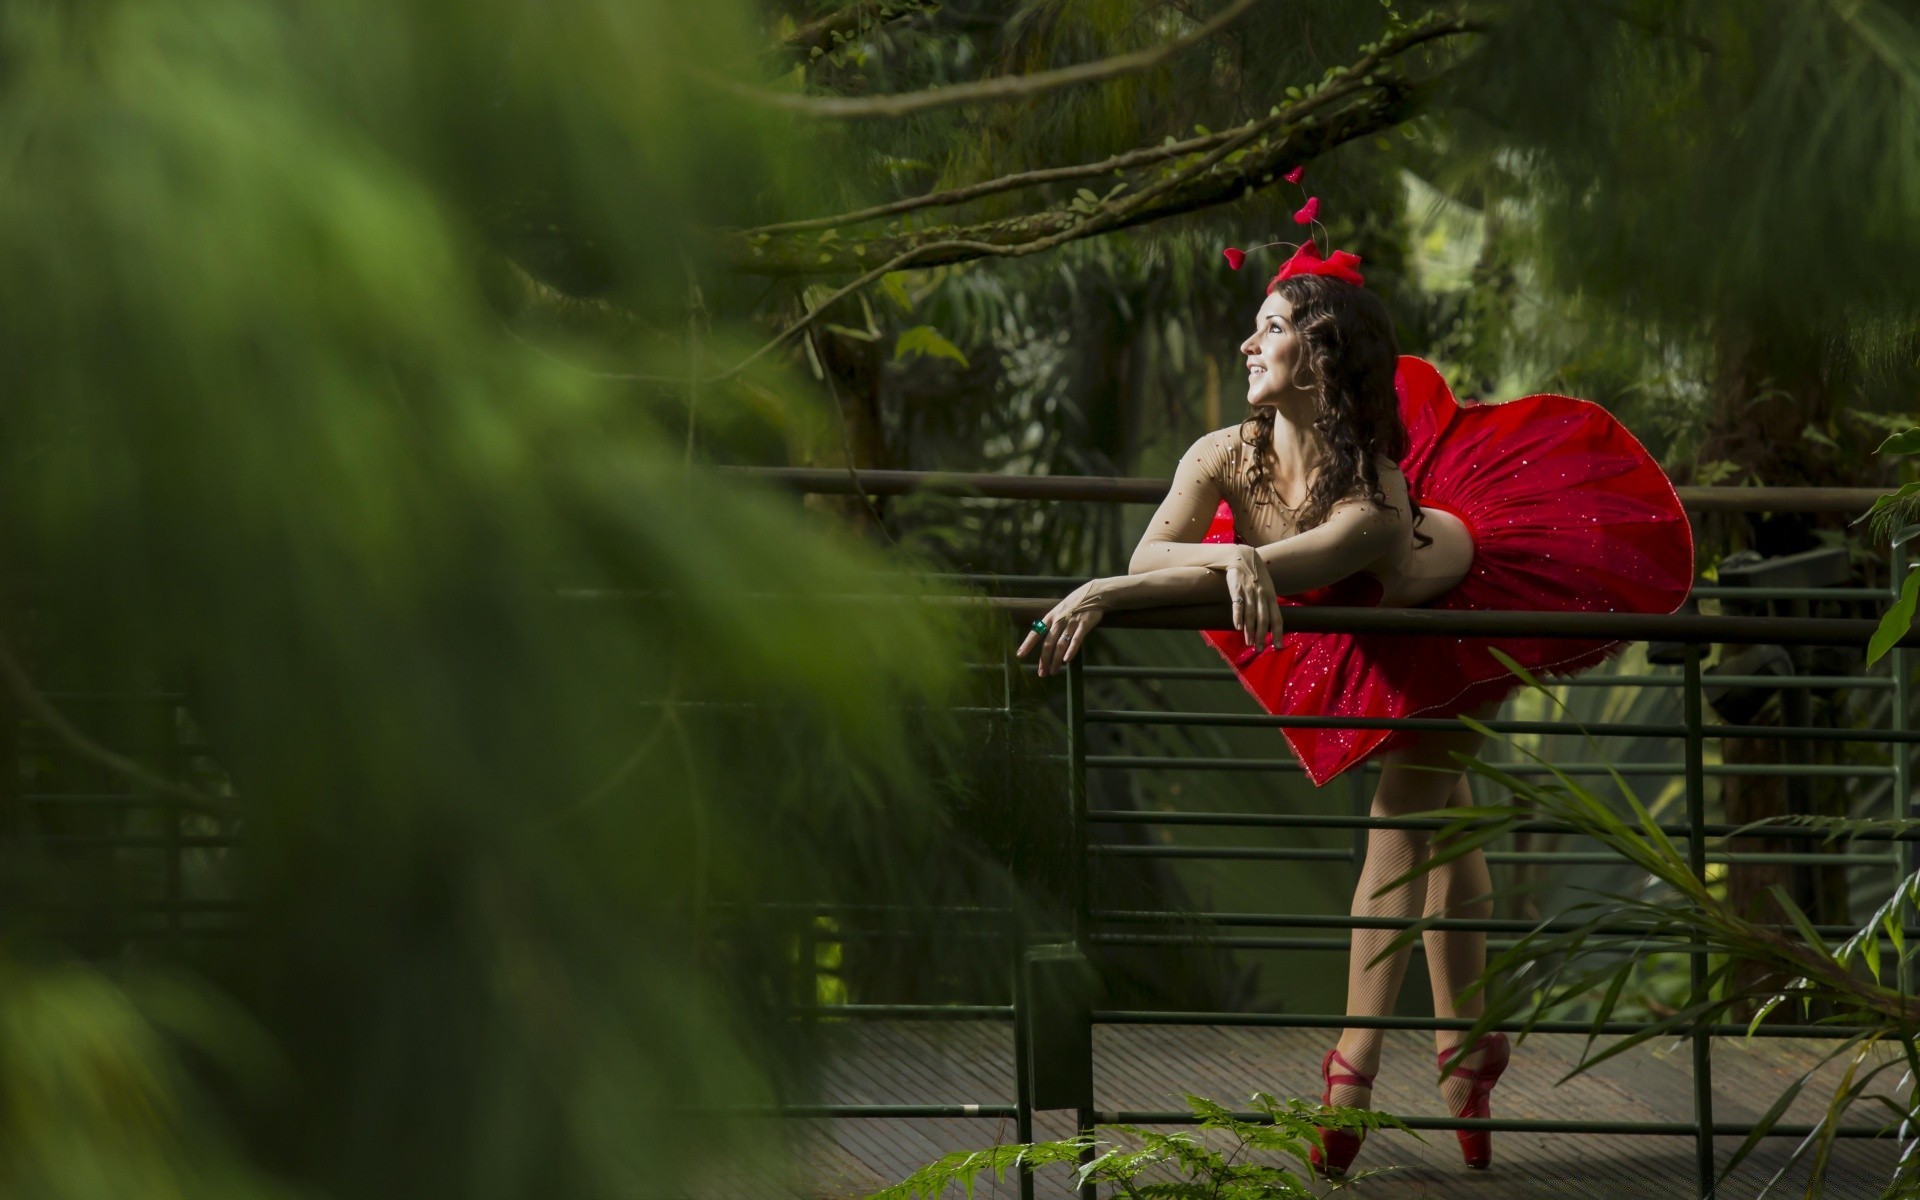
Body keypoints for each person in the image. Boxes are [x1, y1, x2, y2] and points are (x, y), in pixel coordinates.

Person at [1015, 238, 1693, 1176]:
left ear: (1323, 357)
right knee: (1442, 816)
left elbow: (1292, 572)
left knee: (1403, 814)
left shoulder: (1375, 497)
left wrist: (1203, 570)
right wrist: (1207, 561)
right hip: (1375, 624)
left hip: (1459, 610)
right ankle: (1471, 1050)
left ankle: (1352, 1073)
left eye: (1274, 328)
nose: (1248, 344)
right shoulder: (1221, 454)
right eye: (1253, 326)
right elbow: (1147, 563)